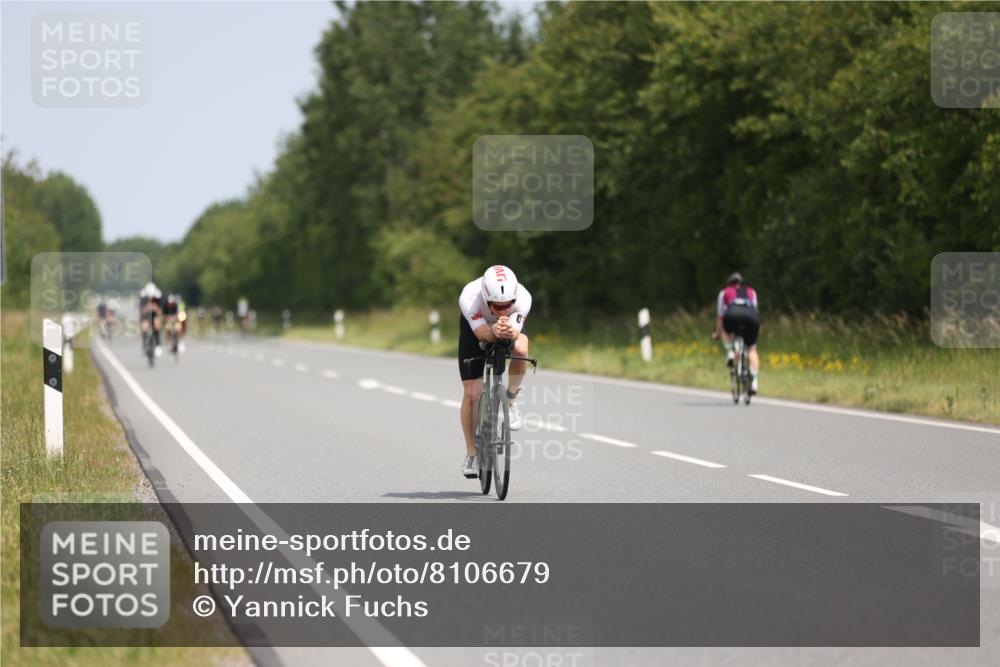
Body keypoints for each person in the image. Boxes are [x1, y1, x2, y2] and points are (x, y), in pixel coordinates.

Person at [458, 265, 532, 479]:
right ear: (485, 297)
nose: (502, 311)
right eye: (496, 307)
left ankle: (510, 399)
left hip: (508, 328)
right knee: (472, 392)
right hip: (477, 328)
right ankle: (471, 453)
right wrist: (491, 331)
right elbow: (481, 333)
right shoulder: (470, 297)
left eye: (507, 305)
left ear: (514, 298)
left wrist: (509, 330)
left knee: (520, 348)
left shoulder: (524, 298)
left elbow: (516, 332)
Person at [712, 272, 760, 394]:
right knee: (752, 349)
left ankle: (730, 352)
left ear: (729, 284)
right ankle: (754, 381)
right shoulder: (751, 291)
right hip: (750, 317)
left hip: (732, 315)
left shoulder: (724, 293)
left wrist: (717, 333)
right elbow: (755, 309)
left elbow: (720, 316)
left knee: (724, 328)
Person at [138, 282, 163, 356]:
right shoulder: (143, 299)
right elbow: (141, 311)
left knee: (157, 325)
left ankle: (158, 344)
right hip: (145, 317)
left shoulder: (157, 298)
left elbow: (160, 311)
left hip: (154, 316)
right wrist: (147, 307)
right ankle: (144, 344)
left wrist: (155, 308)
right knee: (144, 328)